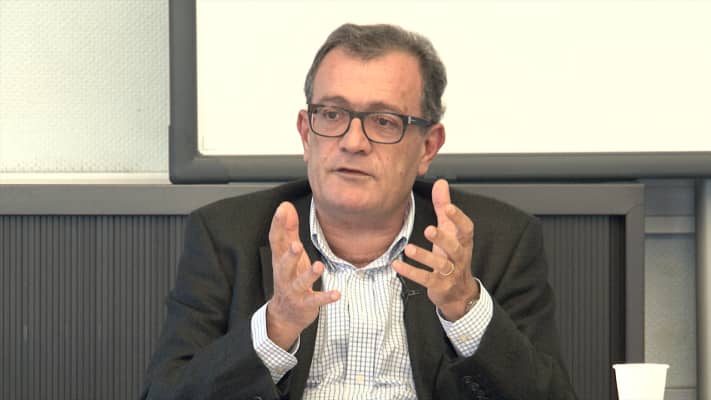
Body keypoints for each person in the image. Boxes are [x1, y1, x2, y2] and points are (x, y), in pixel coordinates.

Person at [142, 23, 577, 400]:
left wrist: (465, 308)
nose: (352, 142)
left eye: (384, 121)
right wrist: (275, 328)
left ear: (428, 147)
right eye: (332, 114)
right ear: (306, 134)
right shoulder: (226, 235)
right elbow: (165, 393)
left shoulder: (498, 240)